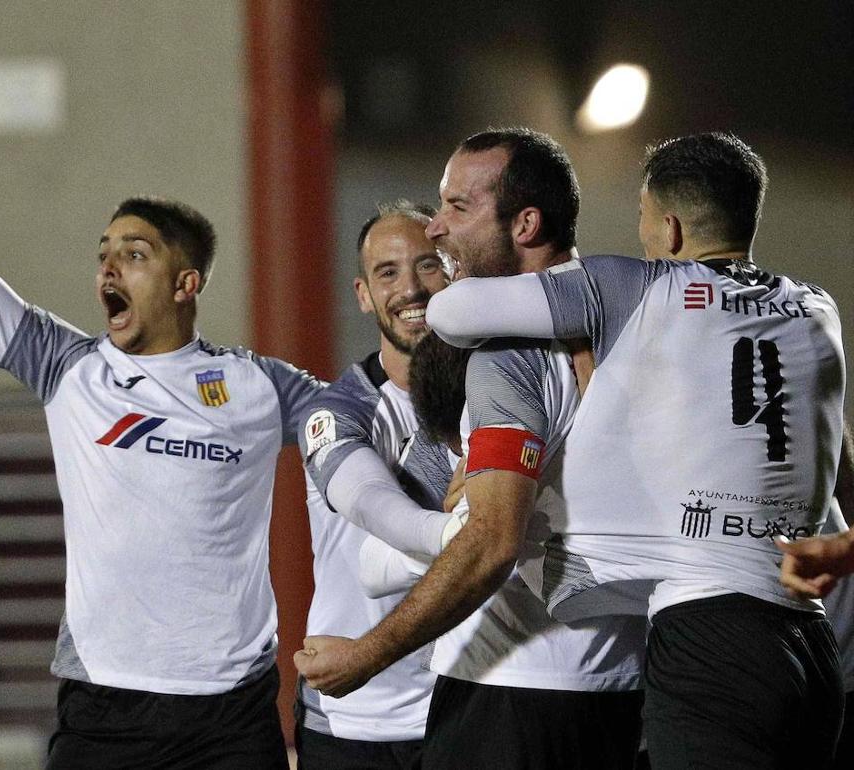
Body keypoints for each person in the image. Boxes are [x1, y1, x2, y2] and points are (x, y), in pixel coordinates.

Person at [0, 100, 322, 769]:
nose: (109, 268)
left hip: (230, 711)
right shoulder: (69, 368)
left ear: (185, 284)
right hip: (104, 707)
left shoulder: (261, 387)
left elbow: (373, 423)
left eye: (134, 255)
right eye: (103, 255)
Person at [423, 131, 846, 768]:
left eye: (644, 221)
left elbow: (453, 314)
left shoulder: (639, 287)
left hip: (709, 635)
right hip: (812, 642)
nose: (642, 237)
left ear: (671, 229)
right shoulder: (816, 309)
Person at [297, 129, 646, 770]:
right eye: (385, 272)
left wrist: (367, 654)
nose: (437, 231)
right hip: (621, 685)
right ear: (362, 292)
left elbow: (487, 543)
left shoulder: (501, 351)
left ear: (526, 222)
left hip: (513, 691)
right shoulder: (645, 318)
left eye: (458, 208)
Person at [293, 201, 451, 769]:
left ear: (454, 271)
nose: (410, 288)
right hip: (351, 718)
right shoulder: (340, 408)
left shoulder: (496, 397)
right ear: (363, 294)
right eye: (387, 273)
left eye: (428, 265)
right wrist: (471, 530)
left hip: (459, 709)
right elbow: (369, 501)